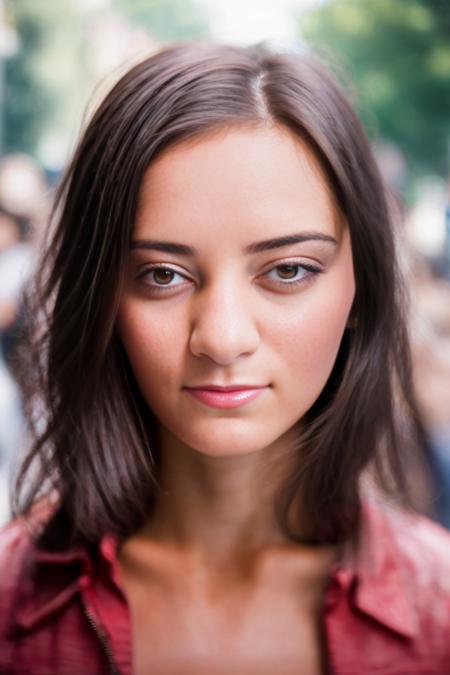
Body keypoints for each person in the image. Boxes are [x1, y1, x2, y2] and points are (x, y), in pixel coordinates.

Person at [1, 42, 449, 675]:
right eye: (162, 275)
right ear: (101, 295)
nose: (222, 337)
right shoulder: (9, 609)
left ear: (362, 286)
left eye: (288, 270)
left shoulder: (440, 614)